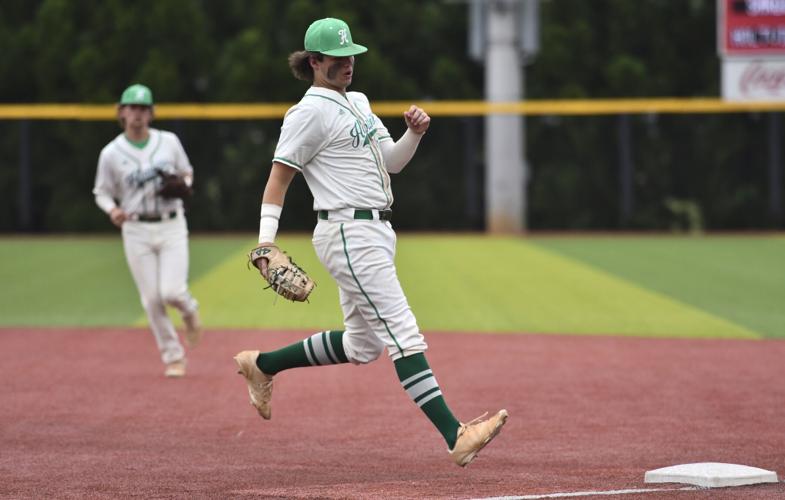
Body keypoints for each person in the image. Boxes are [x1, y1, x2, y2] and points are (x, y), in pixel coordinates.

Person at [234, 18, 507, 466]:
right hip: (347, 232)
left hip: (376, 230)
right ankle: (454, 435)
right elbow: (278, 180)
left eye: (352, 56)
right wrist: (265, 245)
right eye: (338, 58)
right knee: (403, 331)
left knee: (363, 346)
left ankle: (262, 365)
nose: (348, 64)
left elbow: (392, 162)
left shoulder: (358, 101)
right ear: (314, 61)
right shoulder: (307, 113)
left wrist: (414, 134)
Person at [93, 83, 202, 378]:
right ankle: (173, 357)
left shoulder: (168, 142)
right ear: (122, 112)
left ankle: (190, 311)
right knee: (152, 299)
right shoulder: (111, 153)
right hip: (136, 228)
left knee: (172, 292)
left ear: (151, 113)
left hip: (171, 223)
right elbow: (101, 192)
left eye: (143, 108)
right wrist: (112, 210)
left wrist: (184, 185)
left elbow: (187, 172)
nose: (138, 113)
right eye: (132, 107)